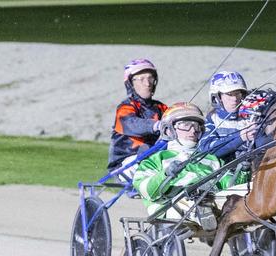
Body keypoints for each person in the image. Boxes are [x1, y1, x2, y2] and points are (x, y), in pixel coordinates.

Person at [133, 102, 243, 230]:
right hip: (171, 206)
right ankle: (201, 209)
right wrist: (166, 174)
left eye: (196, 126)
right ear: (169, 130)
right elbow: (146, 191)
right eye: (186, 125)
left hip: (214, 200)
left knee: (246, 192)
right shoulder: (156, 159)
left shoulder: (211, 159)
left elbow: (229, 185)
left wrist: (243, 171)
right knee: (193, 198)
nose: (193, 131)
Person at [107, 58, 168, 178]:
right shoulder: (125, 107)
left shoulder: (161, 107)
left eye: (150, 78)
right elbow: (132, 124)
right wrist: (156, 125)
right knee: (148, 152)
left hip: (152, 156)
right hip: (125, 164)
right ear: (130, 83)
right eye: (141, 79)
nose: (147, 83)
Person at [198, 71, 259, 162]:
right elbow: (206, 150)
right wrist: (241, 137)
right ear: (217, 97)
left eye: (238, 93)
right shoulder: (212, 119)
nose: (234, 99)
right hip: (223, 173)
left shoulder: (253, 116)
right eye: (229, 94)